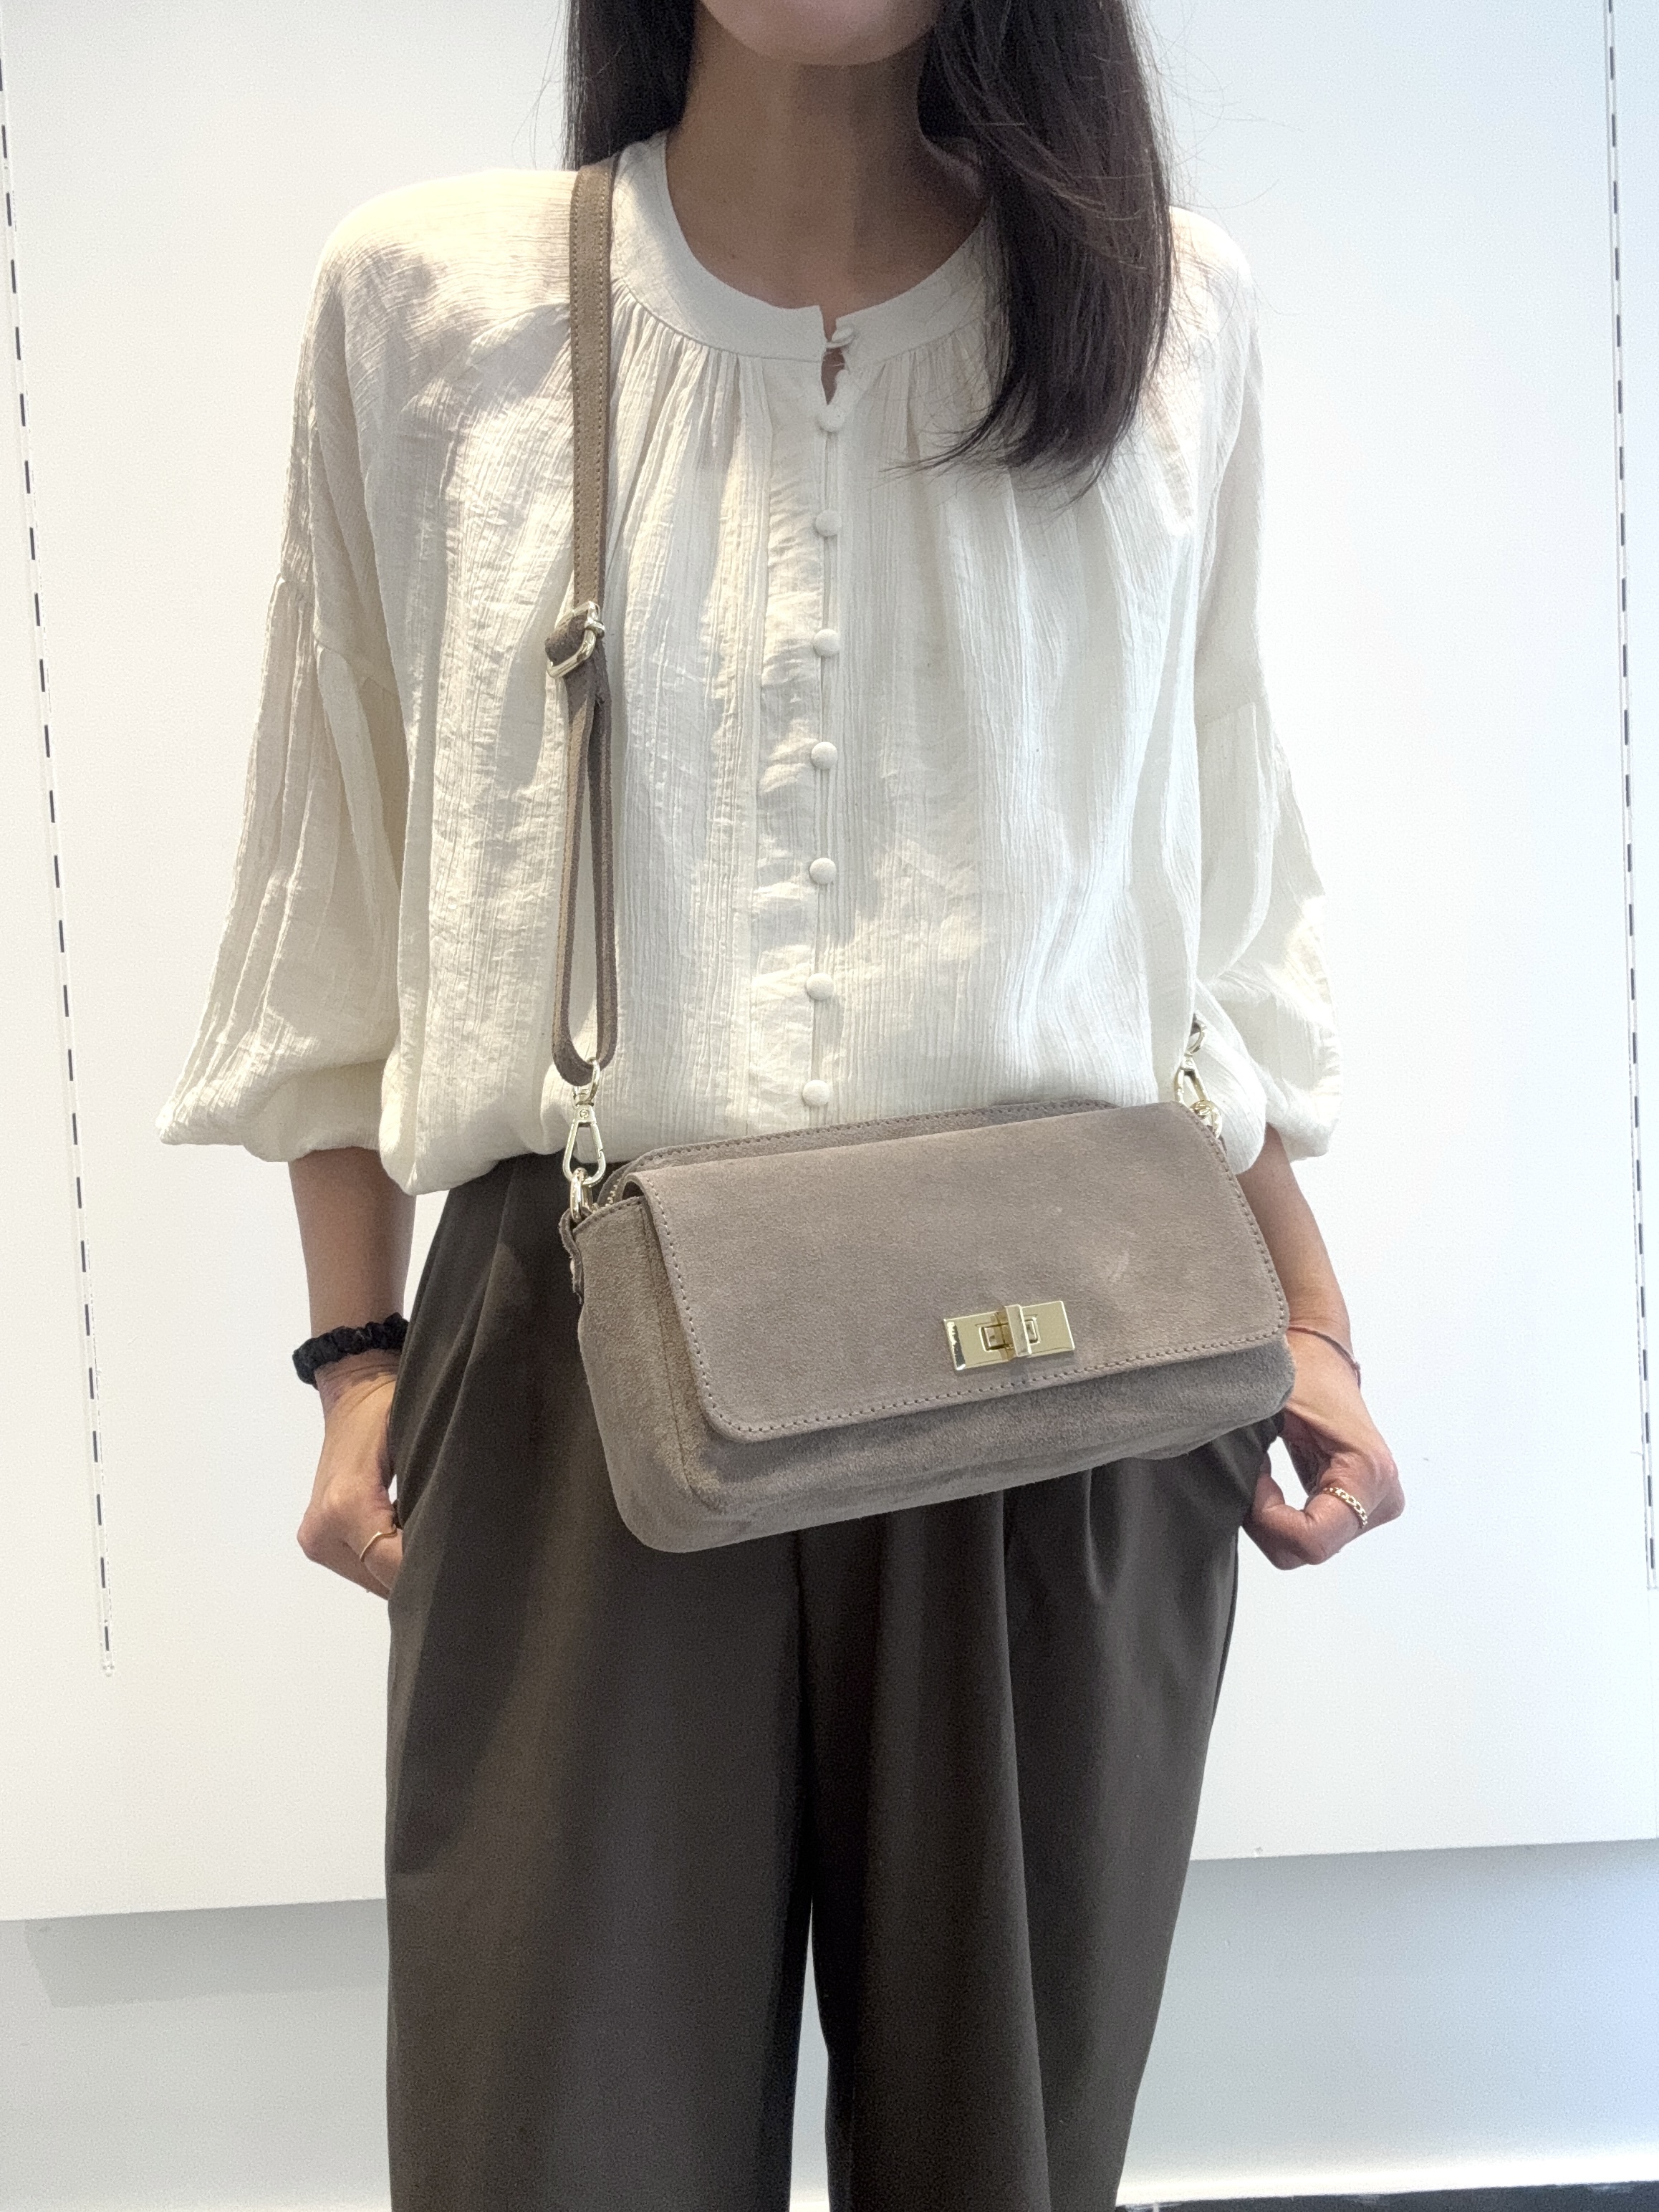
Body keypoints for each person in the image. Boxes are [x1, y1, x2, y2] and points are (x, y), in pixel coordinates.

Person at [160, 1, 1404, 2205]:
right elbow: (330, 863)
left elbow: (1206, 881)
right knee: (552, 2149)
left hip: (1066, 1364)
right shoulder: (431, 303)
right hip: (580, 1353)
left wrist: (1310, 1318)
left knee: (1005, 2153)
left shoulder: (1163, 315)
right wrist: (356, 1353)